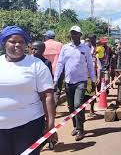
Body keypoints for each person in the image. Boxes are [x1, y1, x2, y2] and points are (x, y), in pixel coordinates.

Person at [0, 26, 56, 155]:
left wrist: (50, 124)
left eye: (21, 41)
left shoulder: (36, 65)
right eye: (13, 41)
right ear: (4, 43)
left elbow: (47, 96)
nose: (17, 45)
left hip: (29, 125)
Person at [54, 25, 96, 141]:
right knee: (71, 106)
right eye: (72, 33)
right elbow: (60, 64)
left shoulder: (85, 48)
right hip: (68, 82)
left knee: (78, 105)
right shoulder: (65, 48)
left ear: (80, 35)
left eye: (76, 33)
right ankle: (75, 126)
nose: (73, 35)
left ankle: (80, 129)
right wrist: (56, 80)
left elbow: (90, 66)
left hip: (81, 81)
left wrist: (93, 81)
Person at [43, 30, 64, 106]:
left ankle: (47, 108)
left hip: (45, 72)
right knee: (57, 91)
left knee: (45, 90)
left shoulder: (43, 45)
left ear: (46, 37)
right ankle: (54, 108)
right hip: (58, 71)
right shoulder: (60, 45)